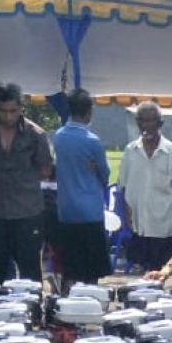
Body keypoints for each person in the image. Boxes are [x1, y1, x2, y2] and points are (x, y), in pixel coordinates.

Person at [0, 81, 54, 289]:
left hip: (27, 211)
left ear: (21, 107)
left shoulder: (36, 134)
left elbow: (45, 170)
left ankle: (34, 311)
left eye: (13, 111)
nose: (8, 116)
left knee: (29, 270)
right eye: (3, 111)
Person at [118, 101, 172, 273]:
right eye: (141, 121)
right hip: (139, 227)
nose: (146, 125)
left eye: (150, 121)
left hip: (165, 227)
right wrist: (125, 215)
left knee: (164, 275)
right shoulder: (130, 151)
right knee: (142, 279)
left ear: (160, 124)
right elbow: (123, 186)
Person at [52, 88, 111, 286]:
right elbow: (105, 175)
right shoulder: (92, 141)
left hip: (66, 209)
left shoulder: (59, 137)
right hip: (90, 211)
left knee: (70, 265)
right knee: (91, 268)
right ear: (89, 113)